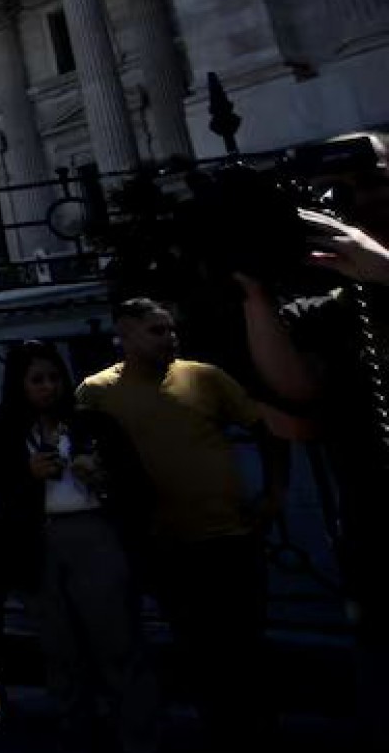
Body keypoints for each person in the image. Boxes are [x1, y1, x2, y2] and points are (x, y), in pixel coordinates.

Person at [78, 297, 290, 753]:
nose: (170, 338)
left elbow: (265, 427)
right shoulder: (98, 392)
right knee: (198, 649)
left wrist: (274, 494)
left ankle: (260, 732)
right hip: (166, 543)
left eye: (171, 329)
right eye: (157, 330)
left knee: (247, 647)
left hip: (232, 537)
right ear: (126, 334)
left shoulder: (204, 377)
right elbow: (78, 447)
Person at [234, 132, 389, 735]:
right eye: (343, 192)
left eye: (373, 181)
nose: (358, 204)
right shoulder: (334, 306)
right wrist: (254, 294)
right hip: (377, 552)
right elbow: (292, 399)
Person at [0, 341, 155, 753]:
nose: (47, 387)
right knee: (61, 649)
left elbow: (133, 481)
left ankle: (138, 736)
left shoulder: (93, 425)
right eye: (36, 380)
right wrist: (26, 474)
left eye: (54, 378)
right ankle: (79, 733)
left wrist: (101, 478)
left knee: (117, 639)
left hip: (92, 533)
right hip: (36, 543)